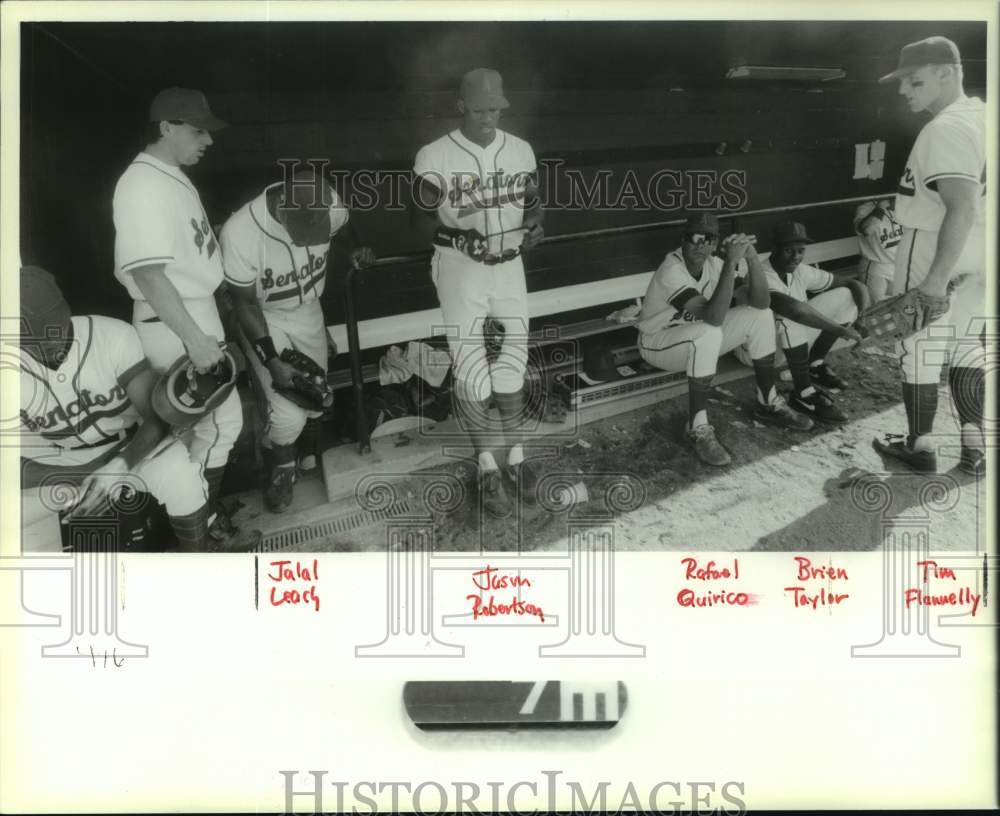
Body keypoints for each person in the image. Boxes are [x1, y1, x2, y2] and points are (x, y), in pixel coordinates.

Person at [412, 68, 545, 517]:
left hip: (509, 266)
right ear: (461, 106)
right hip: (460, 269)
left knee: (514, 359)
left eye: (496, 108)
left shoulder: (521, 150)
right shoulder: (435, 155)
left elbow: (532, 202)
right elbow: (419, 219)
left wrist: (534, 226)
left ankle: (518, 457)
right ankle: (487, 464)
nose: (489, 116)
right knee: (471, 364)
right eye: (481, 108)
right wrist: (455, 237)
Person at [111, 87, 243, 534]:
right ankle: (198, 520)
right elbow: (148, 274)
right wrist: (194, 338)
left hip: (190, 313)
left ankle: (201, 515)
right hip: (172, 322)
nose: (208, 140)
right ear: (166, 128)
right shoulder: (141, 184)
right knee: (215, 427)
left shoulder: (168, 173)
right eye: (198, 130)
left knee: (206, 430)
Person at [18, 267, 211, 552]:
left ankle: (197, 561)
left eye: (57, 328)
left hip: (129, 448)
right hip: (59, 467)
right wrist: (81, 481)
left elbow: (158, 417)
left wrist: (116, 468)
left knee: (180, 475)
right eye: (41, 340)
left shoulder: (111, 336)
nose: (55, 342)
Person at [220, 168, 375, 513]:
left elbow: (345, 226)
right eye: (304, 229)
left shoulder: (328, 203)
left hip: (309, 310)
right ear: (283, 210)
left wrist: (357, 247)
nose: (311, 237)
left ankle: (304, 452)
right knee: (288, 411)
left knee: (317, 394)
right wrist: (272, 361)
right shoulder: (241, 232)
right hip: (265, 316)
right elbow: (244, 304)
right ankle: (282, 469)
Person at [874, 37, 986, 477]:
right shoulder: (983, 113)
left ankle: (920, 446)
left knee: (918, 344)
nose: (904, 90)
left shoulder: (946, 126)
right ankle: (974, 448)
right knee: (966, 346)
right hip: (978, 247)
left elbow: (961, 204)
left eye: (914, 79)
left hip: (937, 243)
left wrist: (935, 280)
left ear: (947, 72)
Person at [637, 213, 812, 468]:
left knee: (759, 315)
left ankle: (768, 401)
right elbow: (714, 316)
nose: (699, 245)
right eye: (694, 237)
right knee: (708, 330)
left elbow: (762, 301)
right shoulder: (671, 269)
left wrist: (751, 257)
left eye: (707, 239)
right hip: (657, 343)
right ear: (683, 240)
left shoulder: (714, 265)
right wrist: (731, 261)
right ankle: (697, 427)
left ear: (714, 243)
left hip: (695, 340)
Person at [749, 221, 870, 423]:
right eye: (789, 250)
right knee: (791, 318)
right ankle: (804, 393)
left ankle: (814, 364)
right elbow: (795, 311)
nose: (796, 257)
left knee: (846, 295)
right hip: (758, 352)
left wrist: (862, 316)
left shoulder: (800, 270)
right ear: (775, 249)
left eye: (800, 251)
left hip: (791, 343)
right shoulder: (761, 274)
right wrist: (841, 330)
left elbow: (854, 283)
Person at [853, 198, 903, 301]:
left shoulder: (904, 206)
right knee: (875, 308)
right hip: (876, 267)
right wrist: (880, 207)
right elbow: (867, 229)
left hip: (899, 266)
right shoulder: (865, 208)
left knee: (899, 306)